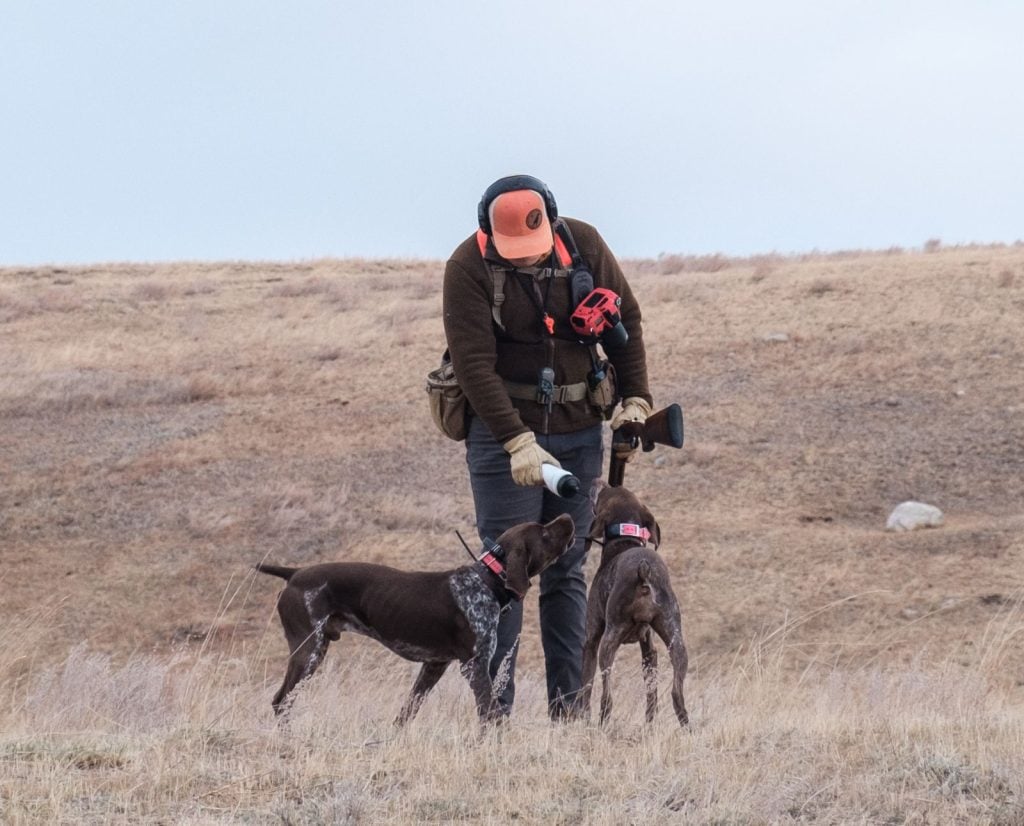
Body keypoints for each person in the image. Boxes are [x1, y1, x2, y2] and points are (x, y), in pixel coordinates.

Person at [442, 174, 653, 719]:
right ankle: (496, 717)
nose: (527, 263)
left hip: (580, 428)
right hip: (499, 436)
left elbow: (623, 318)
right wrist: (516, 442)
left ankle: (571, 713)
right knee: (504, 571)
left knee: (567, 570)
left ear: (552, 221)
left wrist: (636, 399)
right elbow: (471, 365)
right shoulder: (467, 267)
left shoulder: (582, 243)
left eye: (534, 254)